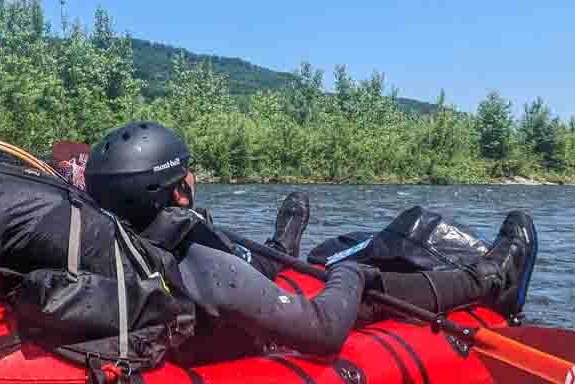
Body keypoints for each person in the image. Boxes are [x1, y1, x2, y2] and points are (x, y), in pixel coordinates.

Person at [84, 121, 538, 358]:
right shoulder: (203, 264)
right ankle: (488, 279)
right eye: (188, 175)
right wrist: (351, 275)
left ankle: (283, 246)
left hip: (210, 305)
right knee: (363, 285)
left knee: (245, 252)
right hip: (247, 337)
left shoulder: (106, 239)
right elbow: (323, 331)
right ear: (178, 191)